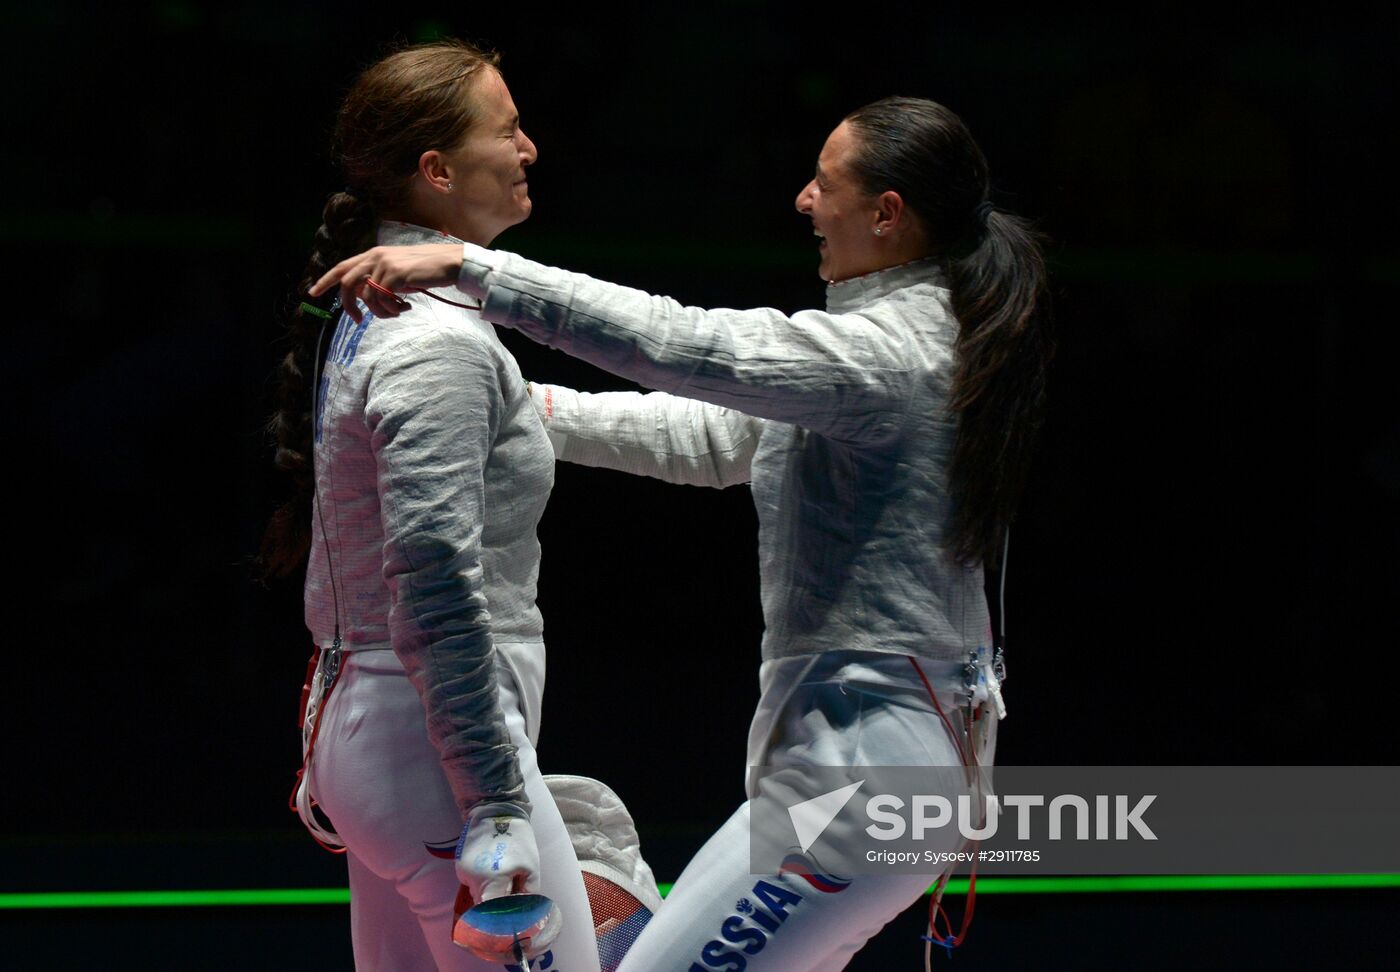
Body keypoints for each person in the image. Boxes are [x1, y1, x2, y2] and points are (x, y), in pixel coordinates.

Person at [312, 95, 1051, 970]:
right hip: (863, 761)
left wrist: (475, 270)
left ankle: (612, 892)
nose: (804, 202)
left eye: (825, 184)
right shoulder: (885, 345)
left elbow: (683, 343)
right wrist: (520, 409)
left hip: (864, 779)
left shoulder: (891, 353)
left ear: (888, 214)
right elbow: (713, 438)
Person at [261, 39, 603, 972]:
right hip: (434, 756)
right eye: (508, 130)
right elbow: (434, 578)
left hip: (391, 745)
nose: (530, 148)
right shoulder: (434, 344)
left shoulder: (395, 318)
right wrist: (494, 797)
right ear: (436, 170)